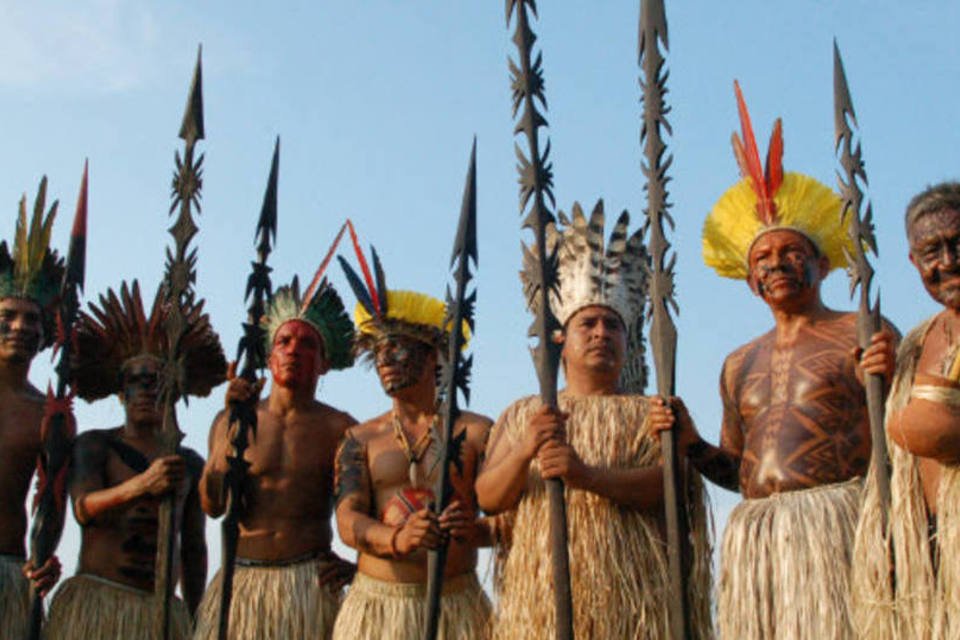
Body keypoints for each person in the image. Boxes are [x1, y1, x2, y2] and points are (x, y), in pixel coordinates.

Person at [650, 84, 895, 639]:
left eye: (793, 253)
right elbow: (739, 472)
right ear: (749, 280)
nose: (778, 263)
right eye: (764, 257)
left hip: (841, 527)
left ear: (823, 265)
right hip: (758, 537)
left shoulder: (862, 332)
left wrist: (893, 373)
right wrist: (690, 444)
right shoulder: (739, 364)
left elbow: (897, 435)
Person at [476, 202, 713, 639]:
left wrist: (585, 476)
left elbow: (675, 487)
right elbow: (489, 498)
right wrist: (526, 448)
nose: (602, 333)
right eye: (588, 323)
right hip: (545, 602)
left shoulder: (654, 411)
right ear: (561, 339)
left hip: (638, 600)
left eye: (613, 325)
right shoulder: (525, 413)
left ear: (628, 339)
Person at [43, 280, 225, 639]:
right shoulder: (94, 445)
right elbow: (83, 508)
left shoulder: (188, 462)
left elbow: (192, 548)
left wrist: (195, 616)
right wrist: (143, 485)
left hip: (159, 610)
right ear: (121, 393)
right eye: (137, 381)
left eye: (157, 381)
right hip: (99, 602)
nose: (147, 389)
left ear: (174, 391)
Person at [332, 249, 494, 640]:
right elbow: (348, 521)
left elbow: (514, 515)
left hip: (457, 607)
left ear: (434, 355)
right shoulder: (359, 439)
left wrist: (478, 531)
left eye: (398, 348)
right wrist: (397, 539)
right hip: (379, 609)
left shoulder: (476, 432)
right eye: (379, 351)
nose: (386, 359)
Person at [194, 277, 357, 640]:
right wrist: (233, 427)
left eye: (307, 344)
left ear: (325, 362)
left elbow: (369, 509)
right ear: (269, 358)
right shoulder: (229, 419)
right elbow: (211, 504)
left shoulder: (341, 429)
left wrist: (358, 569)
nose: (294, 350)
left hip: (308, 587)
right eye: (284, 341)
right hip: (243, 586)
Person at [852, 182, 960, 639]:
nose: (949, 261)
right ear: (914, 262)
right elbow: (901, 447)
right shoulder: (917, 342)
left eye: (959, 242)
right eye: (932, 251)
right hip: (927, 556)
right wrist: (886, 383)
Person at [0, 180, 65, 638]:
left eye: (33, 319)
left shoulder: (49, 413)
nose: (21, 327)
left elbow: (53, 502)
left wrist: (46, 559)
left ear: (47, 334)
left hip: (9, 571)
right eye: (8, 316)